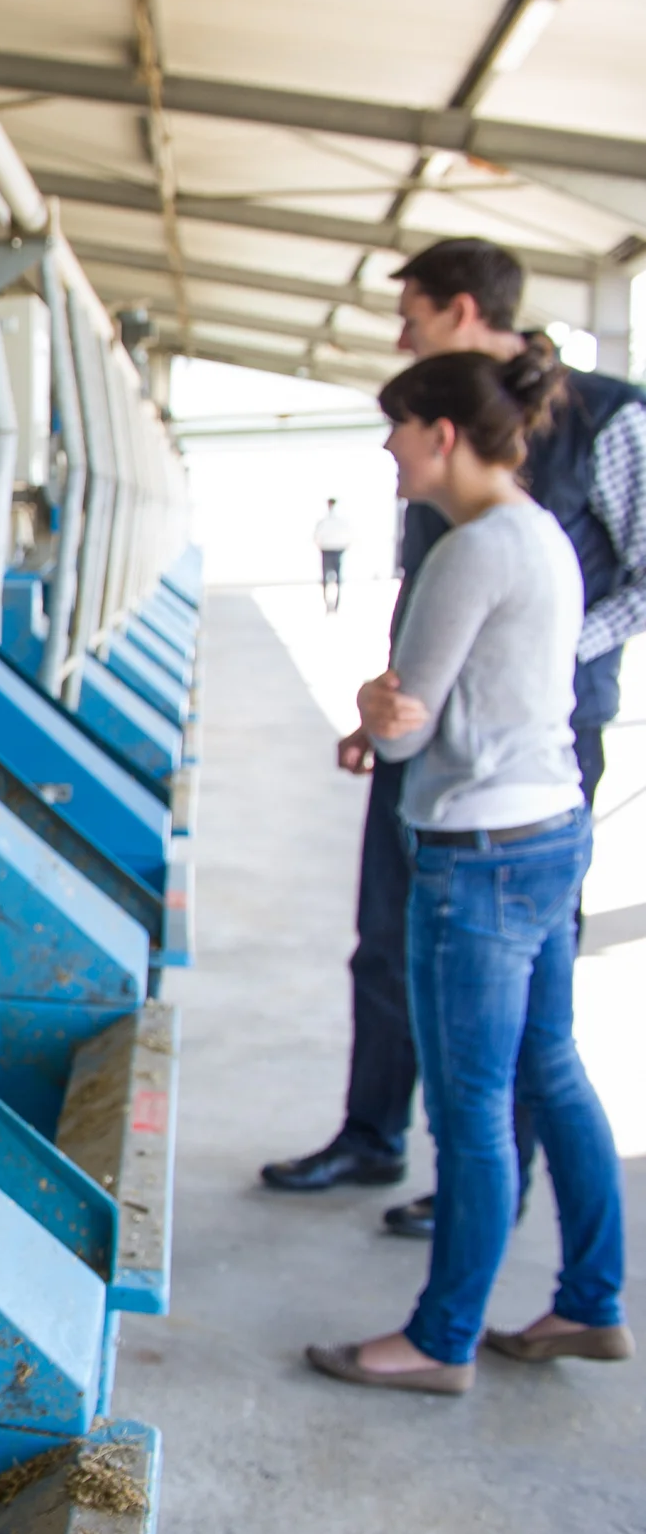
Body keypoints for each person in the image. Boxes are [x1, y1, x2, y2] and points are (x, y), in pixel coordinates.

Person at [260, 238, 646, 1213]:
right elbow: (431, 603)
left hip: (534, 743)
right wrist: (391, 700)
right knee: (385, 938)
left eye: (412, 317)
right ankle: (373, 1133)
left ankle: (487, 1175)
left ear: (463, 310)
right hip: (427, 721)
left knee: (508, 979)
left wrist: (538, 653)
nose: (402, 338)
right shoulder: (447, 444)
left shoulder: (602, 417)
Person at [306, 348, 628, 1393]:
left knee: (470, 1109)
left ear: (442, 434)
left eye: (397, 428)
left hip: (477, 854)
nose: (389, 450)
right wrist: (383, 719)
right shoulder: (538, 532)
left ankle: (440, 1339)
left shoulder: (468, 549)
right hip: (548, 828)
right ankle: (590, 1300)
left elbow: (407, 725)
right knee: (551, 1070)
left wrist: (372, 709)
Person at [314, 498, 354, 612]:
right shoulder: (331, 519)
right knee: (334, 580)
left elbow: (317, 535)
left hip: (330, 549)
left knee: (329, 580)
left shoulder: (327, 520)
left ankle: (332, 604)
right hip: (333, 549)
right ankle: (332, 604)